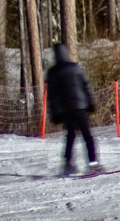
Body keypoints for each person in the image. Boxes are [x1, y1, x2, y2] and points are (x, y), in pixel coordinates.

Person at [46, 42, 99, 174]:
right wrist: (91, 102)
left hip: (66, 109)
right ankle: (93, 163)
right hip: (80, 105)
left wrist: (54, 113)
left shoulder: (52, 73)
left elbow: (51, 96)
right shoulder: (76, 68)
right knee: (87, 135)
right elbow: (86, 86)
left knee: (71, 135)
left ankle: (67, 164)